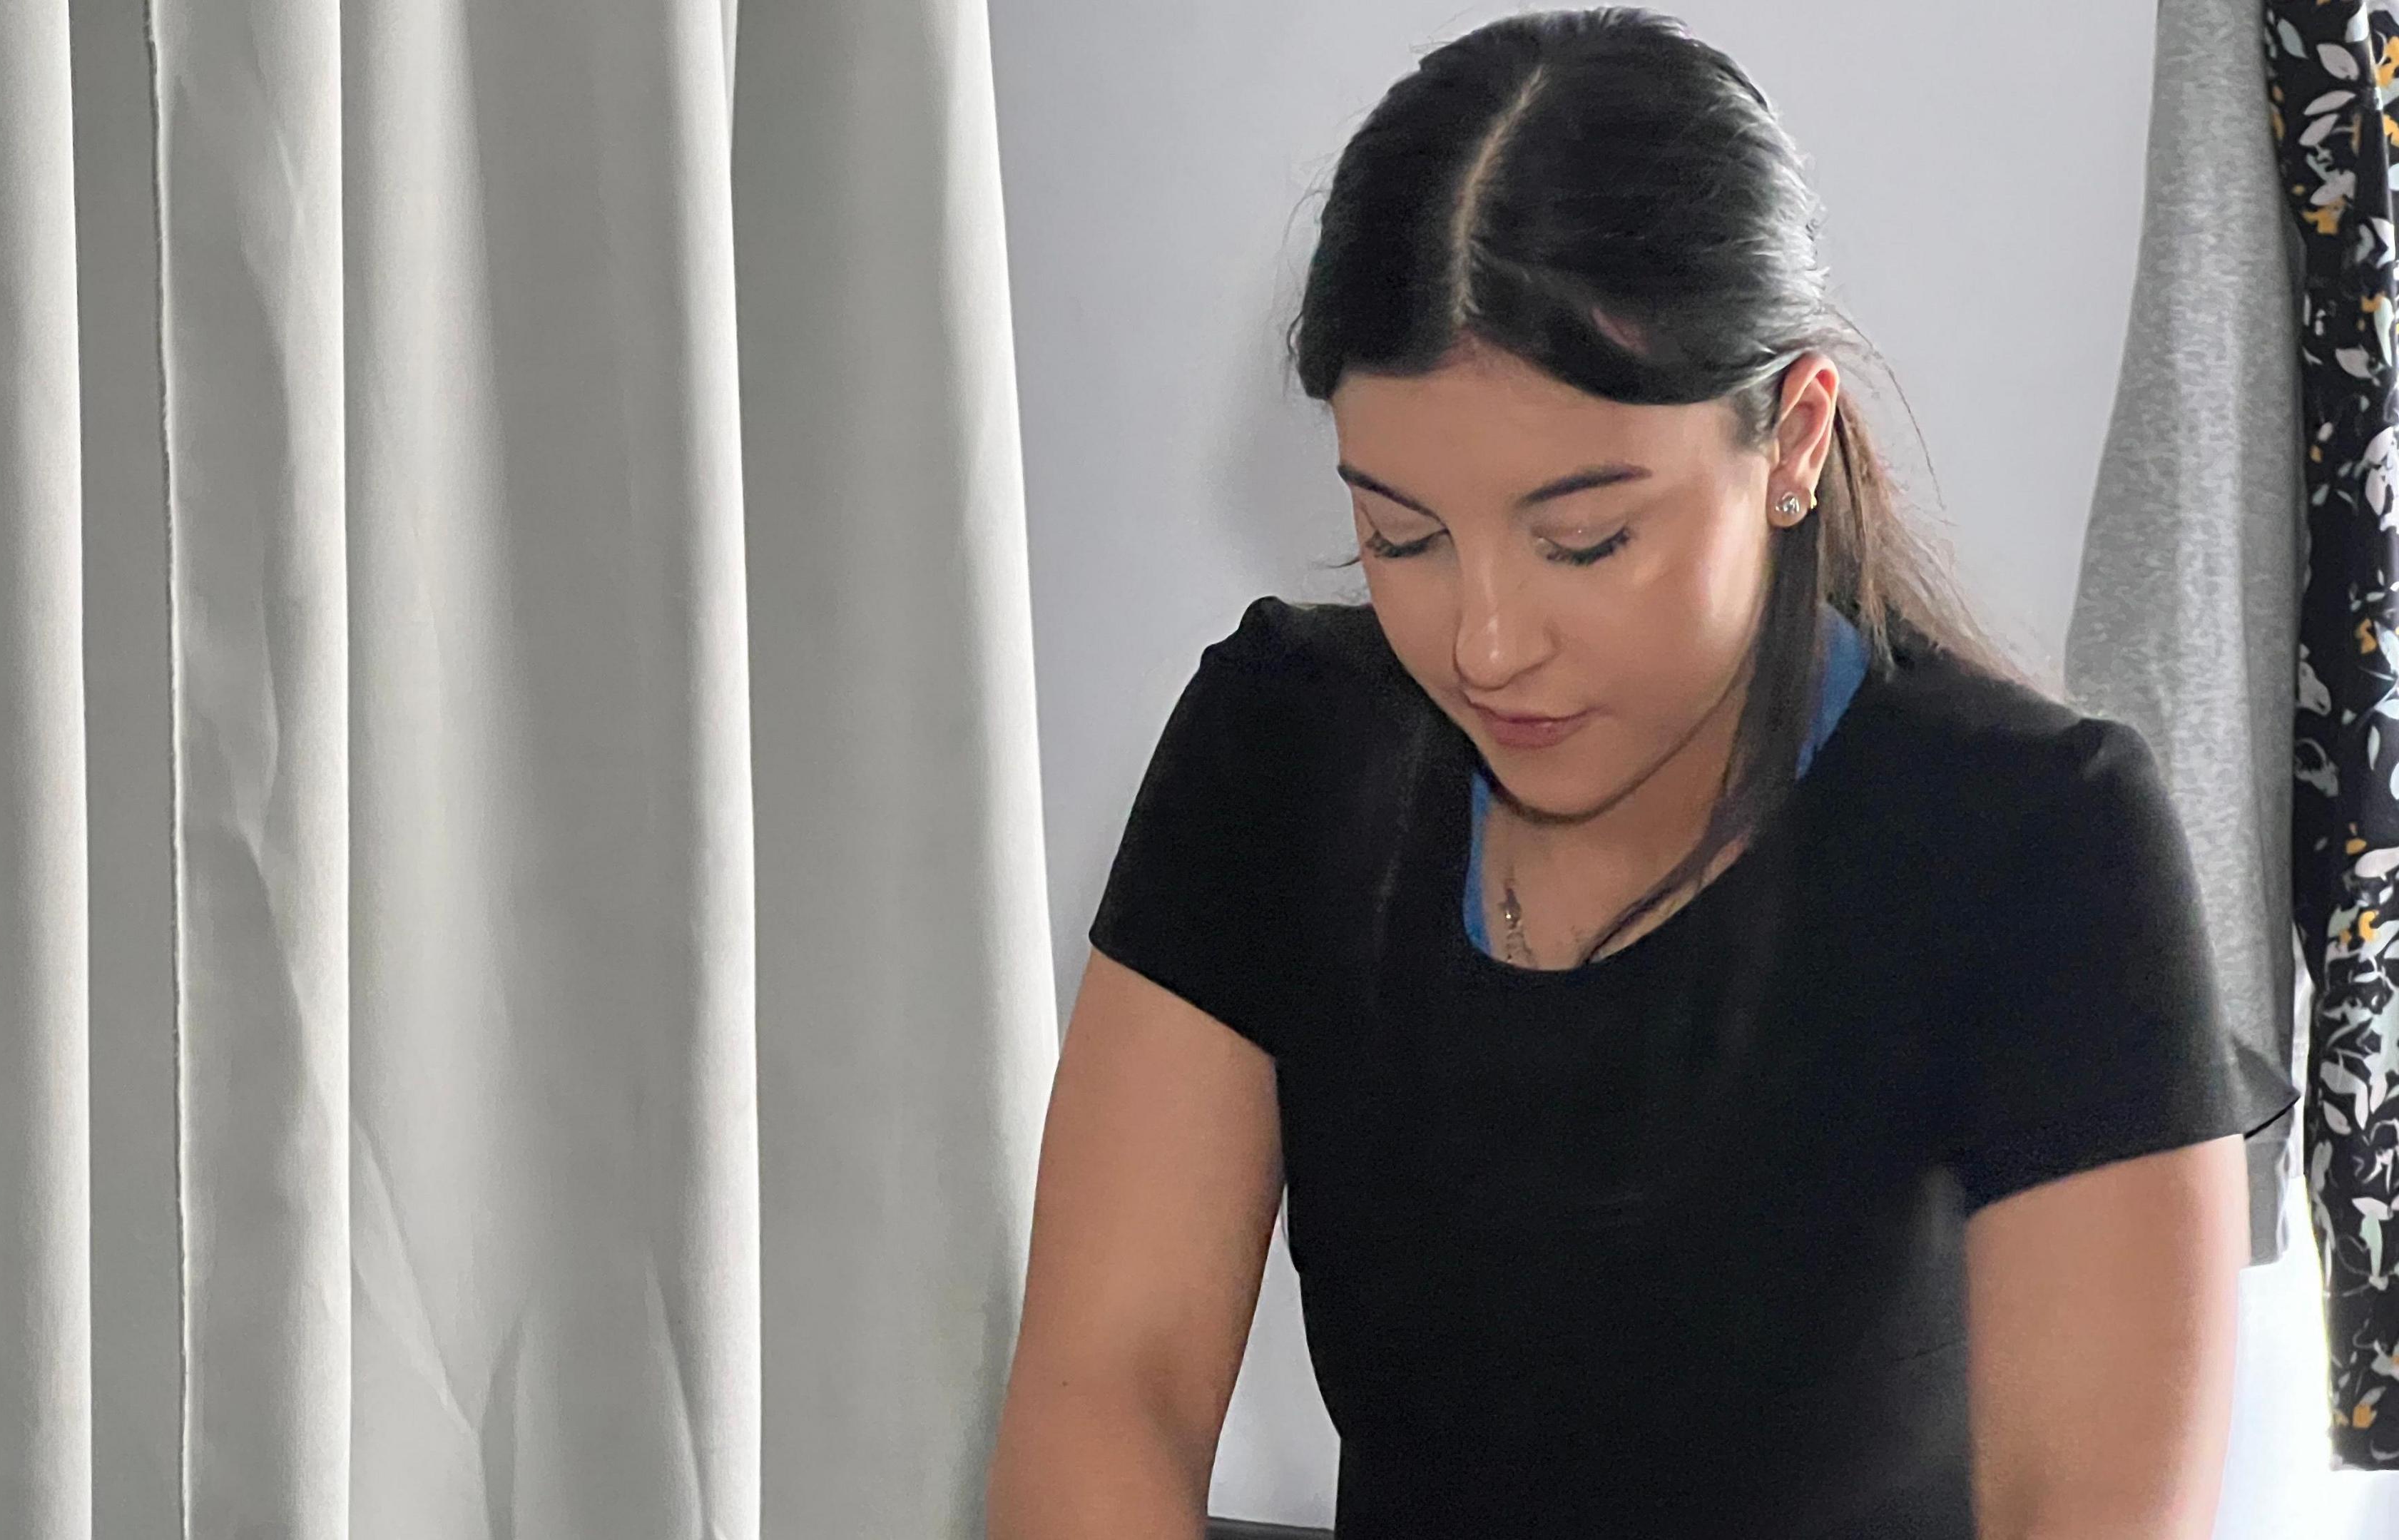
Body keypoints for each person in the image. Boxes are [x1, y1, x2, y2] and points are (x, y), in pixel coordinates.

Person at [982, 9, 2293, 1538]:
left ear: (1795, 439)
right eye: (1401, 535)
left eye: (1586, 539)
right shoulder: (1286, 753)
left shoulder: (2034, 850)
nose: (1482, 641)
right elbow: (1108, 1386)